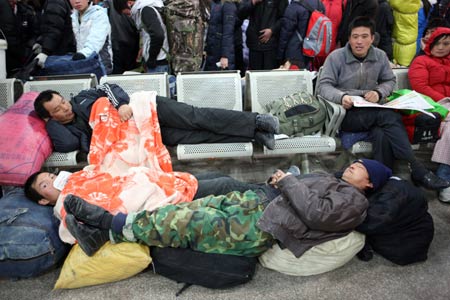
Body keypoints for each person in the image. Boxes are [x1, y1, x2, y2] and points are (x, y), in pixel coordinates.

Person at [25, 158, 389, 257]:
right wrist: (286, 179)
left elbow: (317, 215)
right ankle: (106, 229)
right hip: (259, 200)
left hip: (263, 225)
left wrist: (290, 181)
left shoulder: (354, 200)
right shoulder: (334, 179)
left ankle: (105, 225)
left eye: (363, 168)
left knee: (189, 222)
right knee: (177, 210)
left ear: (369, 184)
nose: (354, 165)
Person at [317, 16, 450, 190]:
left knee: (382, 134)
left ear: (372, 38)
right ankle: (417, 168)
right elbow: (323, 86)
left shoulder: (379, 56)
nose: (359, 41)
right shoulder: (336, 57)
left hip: (373, 111)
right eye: (355, 36)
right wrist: (341, 97)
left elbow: (389, 81)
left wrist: (379, 92)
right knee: (388, 116)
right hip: (346, 114)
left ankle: (383, 184)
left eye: (364, 36)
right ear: (349, 38)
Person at [33, 83, 280, 151]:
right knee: (196, 138)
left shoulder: (82, 99)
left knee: (197, 117)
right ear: (50, 118)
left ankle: (256, 121)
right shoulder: (70, 131)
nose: (65, 108)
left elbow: (110, 87)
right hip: (144, 137)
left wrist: (120, 105)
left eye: (62, 101)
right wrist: (51, 124)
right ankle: (254, 136)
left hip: (148, 108)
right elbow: (70, 145)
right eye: (57, 110)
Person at [409, 27, 450, 202]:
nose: (441, 47)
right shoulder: (421, 61)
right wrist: (446, 101)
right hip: (431, 106)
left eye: (446, 43)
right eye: (437, 43)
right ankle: (445, 179)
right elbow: (421, 87)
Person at [237, 0, 288, 70]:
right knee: (254, 76)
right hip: (254, 44)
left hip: (271, 45)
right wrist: (253, 2)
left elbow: (285, 18)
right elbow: (240, 14)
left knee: (269, 77)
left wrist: (272, 30)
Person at [277, 0, 325, 70]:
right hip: (311, 49)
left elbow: (285, 34)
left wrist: (280, 55)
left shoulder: (294, 7)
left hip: (294, 52)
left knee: (294, 78)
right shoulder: (319, 4)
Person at [70, 0, 113, 74]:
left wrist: (83, 54)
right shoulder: (73, 17)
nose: (77, 1)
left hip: (100, 65)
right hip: (81, 64)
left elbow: (96, 40)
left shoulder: (99, 14)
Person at [32, 0, 76, 68]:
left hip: (59, 53)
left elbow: (54, 28)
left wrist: (45, 51)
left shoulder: (55, 2)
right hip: (61, 50)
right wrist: (40, 41)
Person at [129, 0, 170, 73]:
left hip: (158, 62)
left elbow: (158, 35)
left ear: (129, 3)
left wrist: (152, 58)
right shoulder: (151, 7)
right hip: (160, 60)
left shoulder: (146, 10)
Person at [204, 0, 242, 72]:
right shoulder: (216, 4)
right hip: (213, 51)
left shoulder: (228, 6)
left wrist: (225, 56)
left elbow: (228, 33)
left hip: (220, 53)